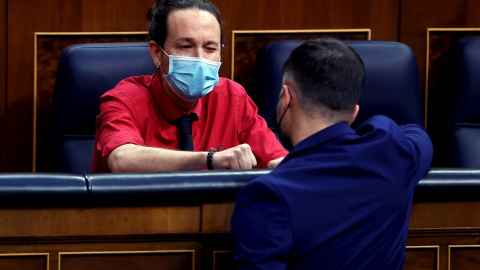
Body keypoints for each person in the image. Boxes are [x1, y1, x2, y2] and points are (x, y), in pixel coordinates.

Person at [231, 39, 433, 269]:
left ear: (286, 97)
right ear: (354, 114)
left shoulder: (266, 196)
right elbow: (417, 134)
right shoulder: (391, 151)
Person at [91, 0, 287, 173]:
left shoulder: (233, 98)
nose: (200, 58)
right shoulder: (124, 99)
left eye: (210, 48)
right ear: (156, 53)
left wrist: (284, 168)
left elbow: (278, 160)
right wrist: (210, 160)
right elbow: (121, 160)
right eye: (186, 47)